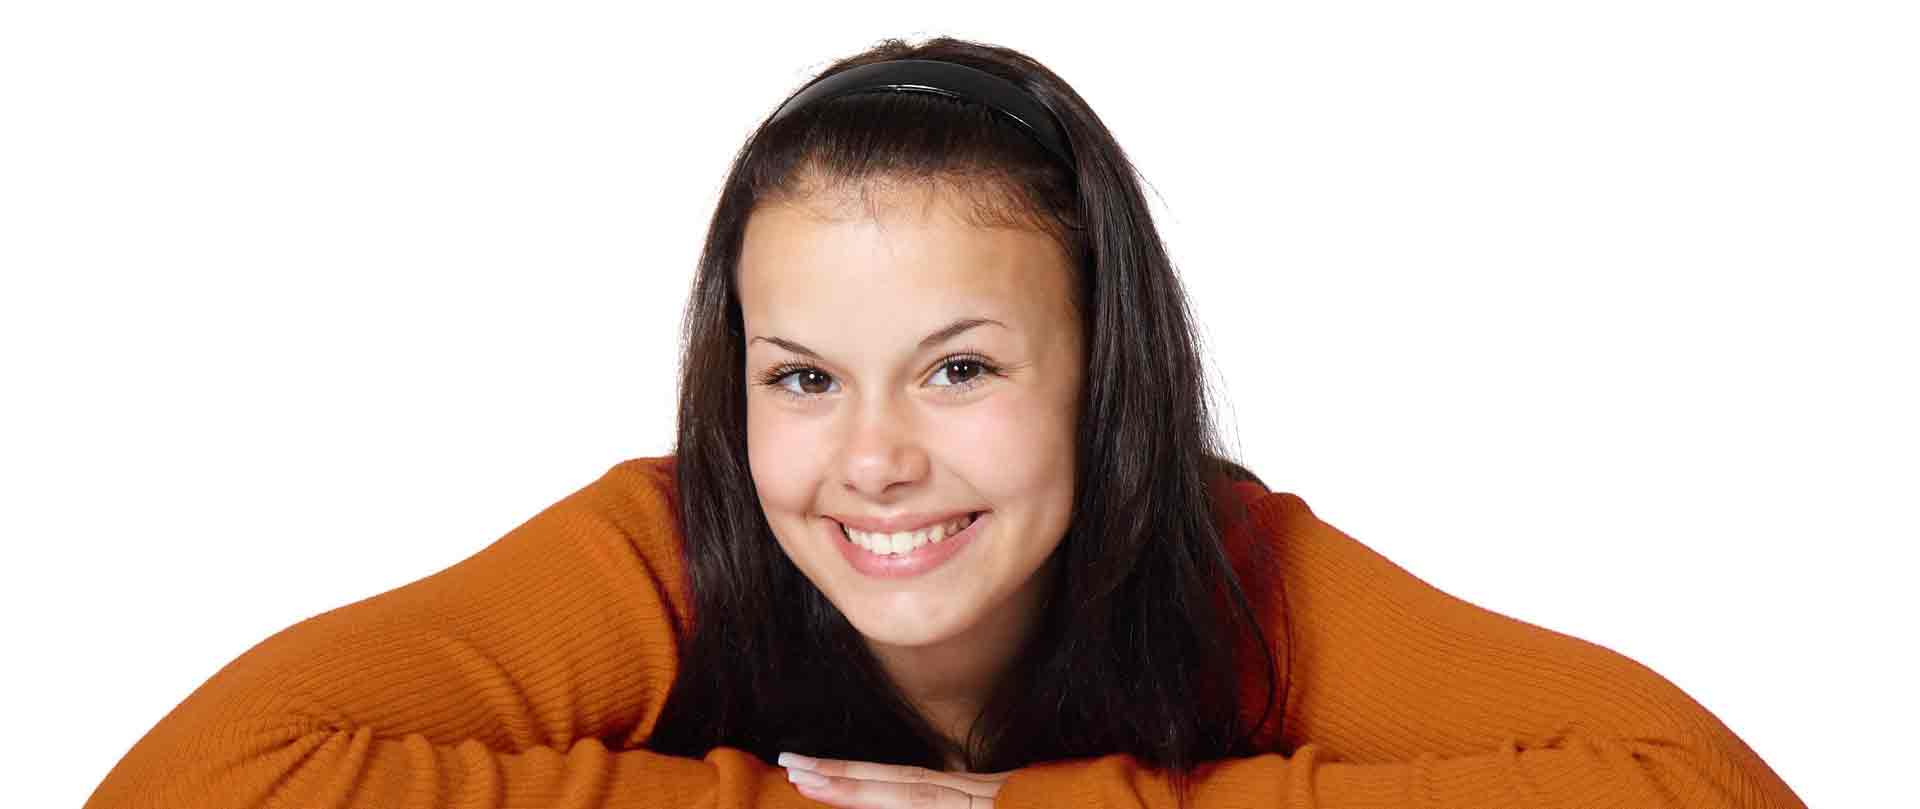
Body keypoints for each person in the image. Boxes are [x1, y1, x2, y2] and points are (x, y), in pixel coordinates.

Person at [82, 36, 1806, 809]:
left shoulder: (1231, 563)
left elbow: (1703, 795)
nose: (873, 456)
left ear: (1105, 376)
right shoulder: (674, 540)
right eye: (803, 376)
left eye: (961, 367)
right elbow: (187, 789)